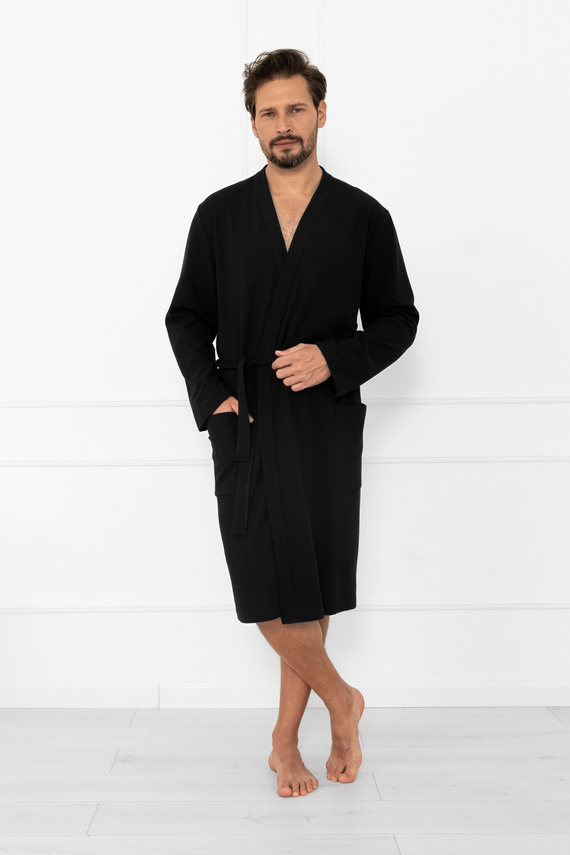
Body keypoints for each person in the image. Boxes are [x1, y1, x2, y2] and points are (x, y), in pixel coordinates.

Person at [165, 48, 419, 798]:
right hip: (243, 418)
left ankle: (284, 743)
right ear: (253, 124)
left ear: (321, 113)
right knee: (261, 585)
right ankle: (344, 699)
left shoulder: (363, 217)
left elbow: (398, 320)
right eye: (268, 112)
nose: (283, 123)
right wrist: (213, 398)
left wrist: (333, 359)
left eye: (296, 109)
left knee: (307, 583)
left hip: (322, 421)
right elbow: (186, 317)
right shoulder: (219, 215)